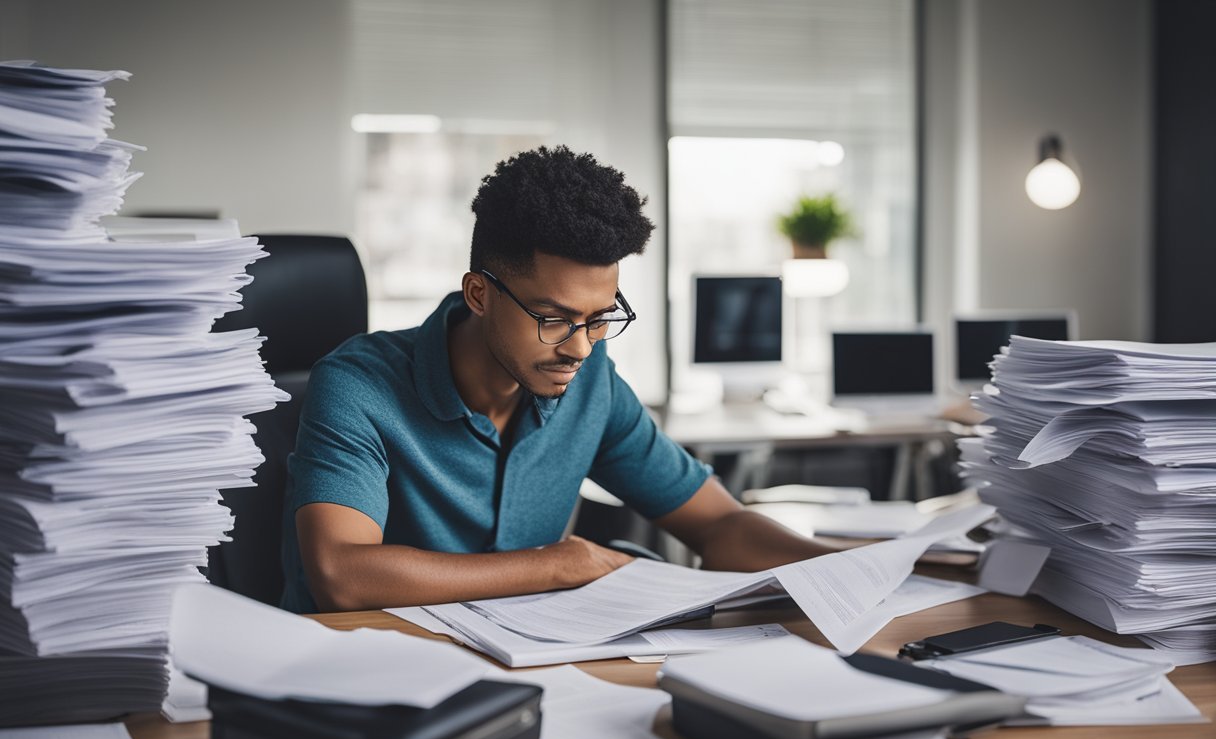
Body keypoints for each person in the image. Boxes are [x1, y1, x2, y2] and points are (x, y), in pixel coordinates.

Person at [280, 146, 834, 613]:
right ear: (479, 295)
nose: (579, 347)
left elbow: (721, 527)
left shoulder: (593, 383)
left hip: (530, 670)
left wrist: (854, 569)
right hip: (366, 677)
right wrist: (559, 566)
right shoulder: (357, 385)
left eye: (599, 319)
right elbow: (342, 573)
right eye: (554, 319)